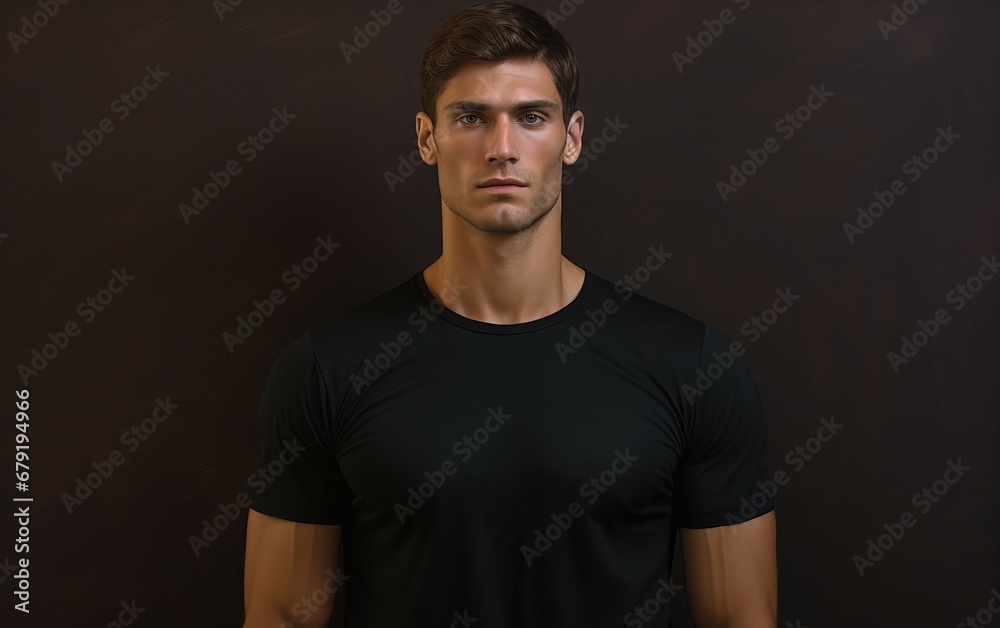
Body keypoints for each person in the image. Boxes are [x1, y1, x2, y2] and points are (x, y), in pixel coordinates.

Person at [243, 2, 777, 626]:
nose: (502, 147)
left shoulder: (694, 367)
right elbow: (280, 616)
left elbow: (743, 619)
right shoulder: (327, 370)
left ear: (572, 137)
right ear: (426, 138)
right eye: (471, 117)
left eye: (531, 116)